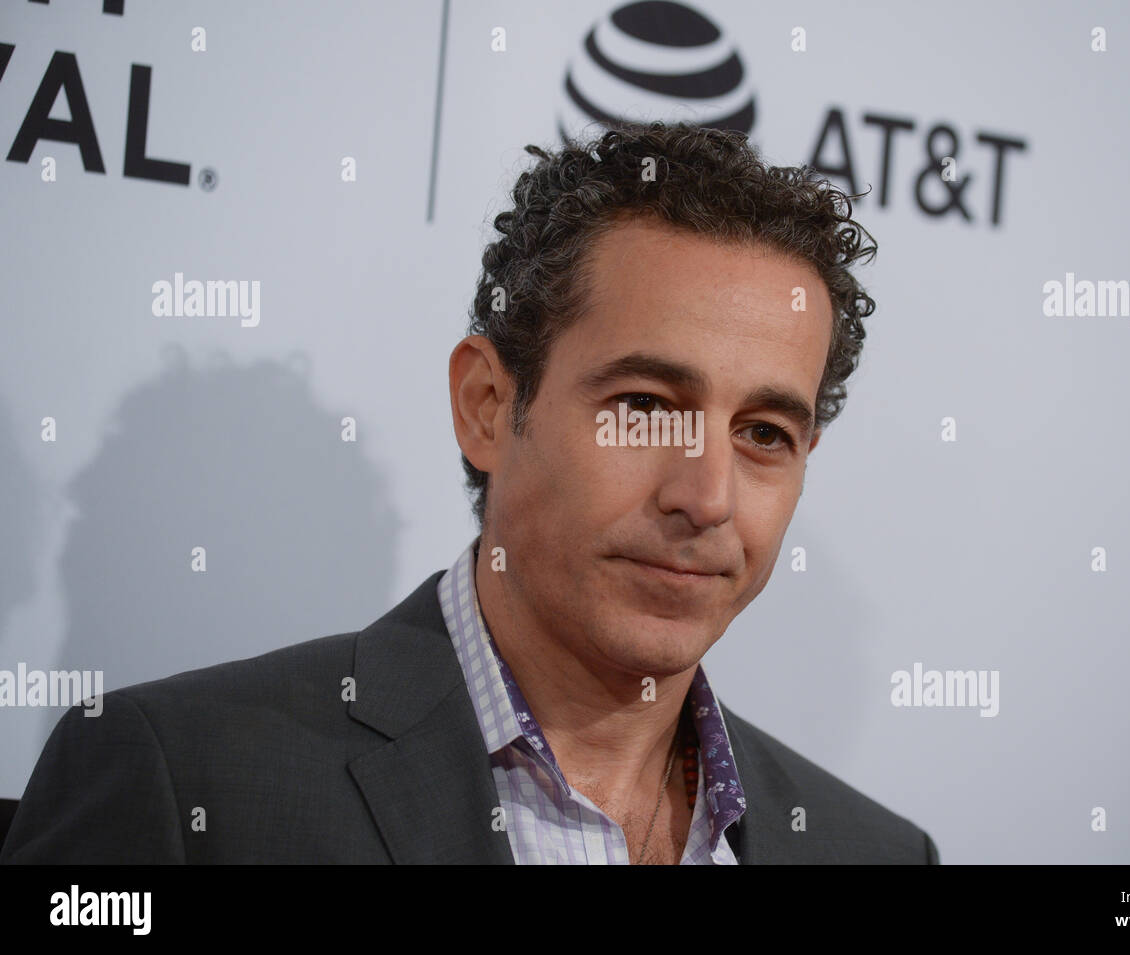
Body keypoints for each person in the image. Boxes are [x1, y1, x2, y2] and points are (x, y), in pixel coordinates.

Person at [1, 121, 938, 864]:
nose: (707, 495)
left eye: (764, 434)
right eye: (646, 405)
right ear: (488, 405)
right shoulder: (181, 783)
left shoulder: (877, 854)